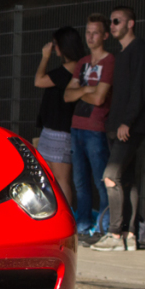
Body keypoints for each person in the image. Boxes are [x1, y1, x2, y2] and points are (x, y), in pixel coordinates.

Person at [92, 6, 145, 251]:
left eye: (117, 21)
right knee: (126, 180)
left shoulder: (139, 51)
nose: (113, 25)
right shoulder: (122, 54)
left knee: (110, 176)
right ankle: (130, 234)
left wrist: (127, 121)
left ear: (131, 23)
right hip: (118, 126)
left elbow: (140, 90)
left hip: (127, 128)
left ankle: (115, 234)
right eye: (111, 21)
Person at [65, 14, 115, 238]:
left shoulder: (109, 61)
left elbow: (99, 99)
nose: (90, 37)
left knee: (100, 180)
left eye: (95, 33)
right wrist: (87, 90)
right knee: (80, 181)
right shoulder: (83, 62)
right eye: (88, 32)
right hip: (77, 127)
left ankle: (104, 228)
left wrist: (81, 92)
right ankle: (83, 226)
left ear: (105, 35)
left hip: (96, 128)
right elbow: (67, 95)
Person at [33, 26, 86, 210]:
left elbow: (38, 80)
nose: (53, 48)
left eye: (55, 44)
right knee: (51, 178)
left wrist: (45, 56)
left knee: (61, 179)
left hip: (61, 132)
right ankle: (56, 215)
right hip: (53, 130)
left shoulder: (68, 70)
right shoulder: (78, 68)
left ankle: (65, 217)